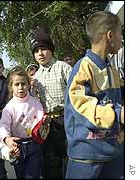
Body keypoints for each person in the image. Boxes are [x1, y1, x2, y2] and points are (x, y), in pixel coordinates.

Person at [64, 11, 124, 179]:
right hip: (87, 156)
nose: (122, 38)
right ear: (110, 35)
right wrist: (118, 114)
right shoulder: (83, 67)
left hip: (113, 149)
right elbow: (81, 105)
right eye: (121, 33)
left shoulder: (111, 68)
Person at [29, 27, 72, 178]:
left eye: (43, 49)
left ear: (51, 50)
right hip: (47, 124)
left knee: (68, 158)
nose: (40, 53)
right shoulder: (36, 76)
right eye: (36, 51)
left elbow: (76, 93)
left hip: (66, 119)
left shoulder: (63, 68)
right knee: (51, 162)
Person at [0, 66, 46, 179]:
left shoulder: (36, 103)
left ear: (28, 85)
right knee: (21, 175)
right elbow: (3, 125)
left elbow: (42, 121)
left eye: (23, 84)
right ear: (11, 87)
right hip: (17, 147)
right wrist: (7, 139)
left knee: (32, 175)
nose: (21, 87)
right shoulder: (9, 107)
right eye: (17, 84)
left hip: (34, 145)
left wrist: (45, 123)